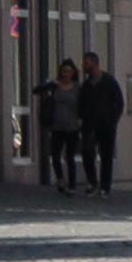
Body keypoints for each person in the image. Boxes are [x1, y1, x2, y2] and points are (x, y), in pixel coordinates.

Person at [79, 49, 126, 196]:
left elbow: (119, 102)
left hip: (107, 125)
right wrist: (83, 117)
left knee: (106, 155)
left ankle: (105, 186)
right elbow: (81, 103)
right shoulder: (86, 85)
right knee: (87, 152)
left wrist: (113, 120)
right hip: (89, 125)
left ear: (94, 63)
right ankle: (92, 182)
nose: (84, 66)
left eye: (86, 63)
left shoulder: (109, 82)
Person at [44, 58, 84, 192]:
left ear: (73, 73)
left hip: (72, 126)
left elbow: (83, 105)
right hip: (57, 125)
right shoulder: (56, 87)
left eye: (69, 71)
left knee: (70, 156)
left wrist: (81, 119)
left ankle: (72, 184)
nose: (66, 74)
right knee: (55, 155)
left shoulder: (78, 88)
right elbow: (39, 92)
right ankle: (60, 179)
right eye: (64, 71)